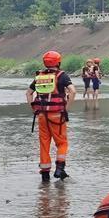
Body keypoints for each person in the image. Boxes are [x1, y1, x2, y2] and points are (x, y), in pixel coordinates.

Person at [26, 51, 77, 181]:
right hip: (57, 115)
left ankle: (45, 175)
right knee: (62, 143)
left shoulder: (39, 76)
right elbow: (73, 91)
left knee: (44, 144)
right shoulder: (62, 75)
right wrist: (66, 109)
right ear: (58, 62)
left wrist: (33, 108)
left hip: (42, 115)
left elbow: (29, 93)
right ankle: (60, 169)